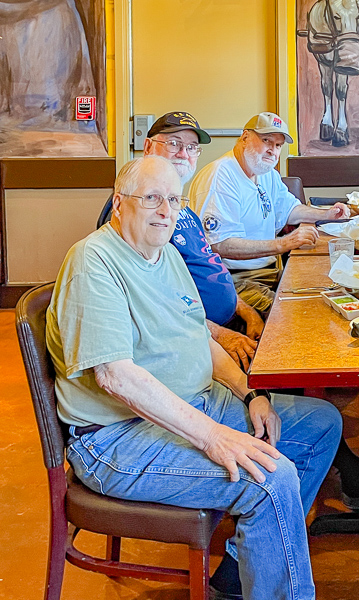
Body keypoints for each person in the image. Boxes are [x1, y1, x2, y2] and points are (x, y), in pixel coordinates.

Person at [47, 156, 343, 600]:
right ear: (118, 205)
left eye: (173, 199)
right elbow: (115, 376)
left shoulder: (165, 253)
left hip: (194, 403)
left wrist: (250, 394)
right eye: (151, 198)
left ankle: (240, 577)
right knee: (272, 479)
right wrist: (213, 437)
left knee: (321, 423)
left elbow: (200, 336)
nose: (166, 210)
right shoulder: (94, 261)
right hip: (116, 438)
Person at [97, 111, 265, 370]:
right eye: (174, 143)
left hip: (228, 321)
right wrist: (220, 336)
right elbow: (154, 302)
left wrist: (246, 311)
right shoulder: (135, 213)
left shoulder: (181, 208)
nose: (184, 153)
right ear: (149, 147)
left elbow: (211, 268)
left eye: (192, 147)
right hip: (193, 339)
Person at [189, 112, 349, 311]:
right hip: (234, 282)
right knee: (297, 316)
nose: (273, 150)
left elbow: (290, 209)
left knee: (327, 292)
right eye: (266, 140)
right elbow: (219, 244)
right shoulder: (220, 177)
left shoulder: (267, 174)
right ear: (245, 137)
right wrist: (284, 243)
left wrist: (325, 215)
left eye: (278, 145)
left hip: (269, 272)